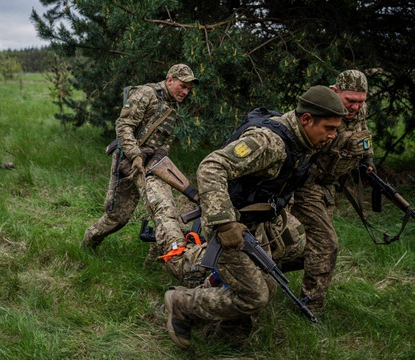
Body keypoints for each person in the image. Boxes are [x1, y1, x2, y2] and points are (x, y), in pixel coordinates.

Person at [163, 85, 348, 349]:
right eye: (328, 128)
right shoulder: (269, 142)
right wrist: (224, 223)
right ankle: (182, 304)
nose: (332, 136)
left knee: (268, 287)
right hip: (228, 224)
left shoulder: (302, 140)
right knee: (255, 295)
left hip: (251, 224)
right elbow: (211, 166)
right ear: (306, 119)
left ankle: (225, 341)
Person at [81, 64, 200, 278]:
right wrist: (135, 155)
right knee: (117, 217)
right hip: (129, 161)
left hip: (152, 165)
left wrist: (160, 158)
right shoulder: (146, 94)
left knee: (163, 209)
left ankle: (153, 265)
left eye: (189, 89)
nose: (185, 92)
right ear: (170, 79)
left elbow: (166, 141)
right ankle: (88, 244)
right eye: (182, 86)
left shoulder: (174, 106)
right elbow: (123, 125)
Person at [287, 70, 375, 316]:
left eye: (361, 100)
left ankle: (266, 273)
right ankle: (311, 306)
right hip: (307, 183)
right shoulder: (320, 108)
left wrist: (368, 159)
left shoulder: (359, 111)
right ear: (336, 93)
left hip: (330, 186)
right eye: (350, 101)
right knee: (326, 243)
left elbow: (364, 135)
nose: (356, 107)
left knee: (313, 245)